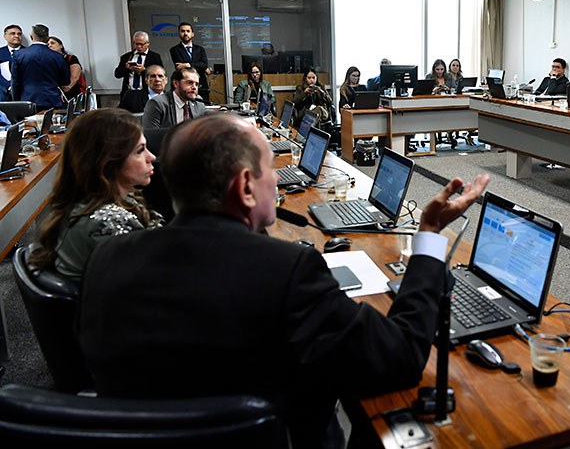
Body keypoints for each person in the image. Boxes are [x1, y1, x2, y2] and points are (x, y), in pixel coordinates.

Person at [76, 113, 489, 449]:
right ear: (245, 187)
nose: (277, 179)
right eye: (270, 168)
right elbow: (399, 358)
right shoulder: (287, 271)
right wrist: (430, 238)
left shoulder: (107, 258)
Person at [29, 109, 161, 281]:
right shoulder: (111, 224)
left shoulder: (79, 204)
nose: (152, 157)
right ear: (107, 161)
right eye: (139, 151)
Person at [11, 24, 69, 110]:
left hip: (28, 99)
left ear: (31, 37)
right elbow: (65, 80)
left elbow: (15, 81)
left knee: (30, 123)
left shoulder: (19, 54)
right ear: (47, 38)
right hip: (52, 99)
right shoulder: (58, 56)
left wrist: (16, 100)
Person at [142, 68, 207, 129]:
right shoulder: (157, 103)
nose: (194, 87)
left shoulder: (198, 103)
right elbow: (150, 135)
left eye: (197, 84)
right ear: (176, 83)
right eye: (190, 83)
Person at [169, 22, 211, 104]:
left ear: (192, 34)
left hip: (201, 85)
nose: (185, 33)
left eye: (188, 31)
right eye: (183, 31)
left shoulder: (200, 49)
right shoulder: (175, 50)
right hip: (185, 86)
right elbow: (180, 67)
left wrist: (188, 64)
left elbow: (204, 64)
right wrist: (200, 67)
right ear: (179, 33)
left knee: (203, 109)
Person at [114, 31, 164, 99]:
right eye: (136, 44)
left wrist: (145, 70)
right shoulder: (126, 57)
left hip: (147, 93)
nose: (139, 47)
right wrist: (126, 68)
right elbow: (117, 74)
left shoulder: (155, 57)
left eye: (141, 44)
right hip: (129, 93)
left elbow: (161, 76)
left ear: (148, 43)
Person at [0, 24, 25, 101]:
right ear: (5, 36)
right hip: (3, 92)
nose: (16, 36)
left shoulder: (28, 52)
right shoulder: (0, 52)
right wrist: (8, 86)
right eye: (12, 33)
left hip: (23, 92)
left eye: (19, 34)